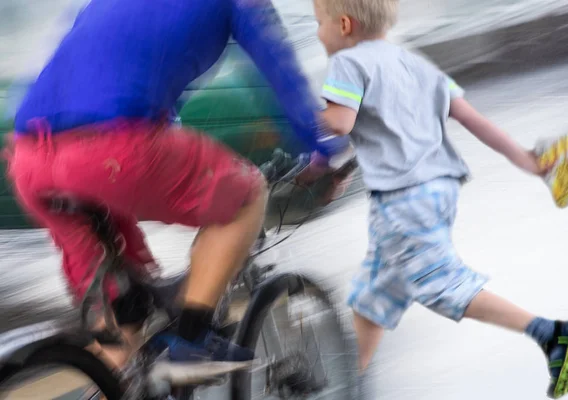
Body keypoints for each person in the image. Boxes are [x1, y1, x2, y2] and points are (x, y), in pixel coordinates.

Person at [5, 0, 347, 371]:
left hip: (29, 160)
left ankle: (113, 372)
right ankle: (194, 341)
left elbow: (96, 72)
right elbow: (282, 77)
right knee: (246, 196)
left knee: (124, 327)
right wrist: (325, 153)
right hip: (110, 151)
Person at [313, 0, 568, 398]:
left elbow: (340, 124)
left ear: (344, 24)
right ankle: (346, 386)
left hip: (402, 200)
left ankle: (552, 334)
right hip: (437, 189)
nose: (317, 32)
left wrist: (297, 116)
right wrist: (529, 162)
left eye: (318, 22)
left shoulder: (347, 64)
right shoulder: (416, 63)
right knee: (374, 298)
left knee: (440, 284)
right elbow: (471, 119)